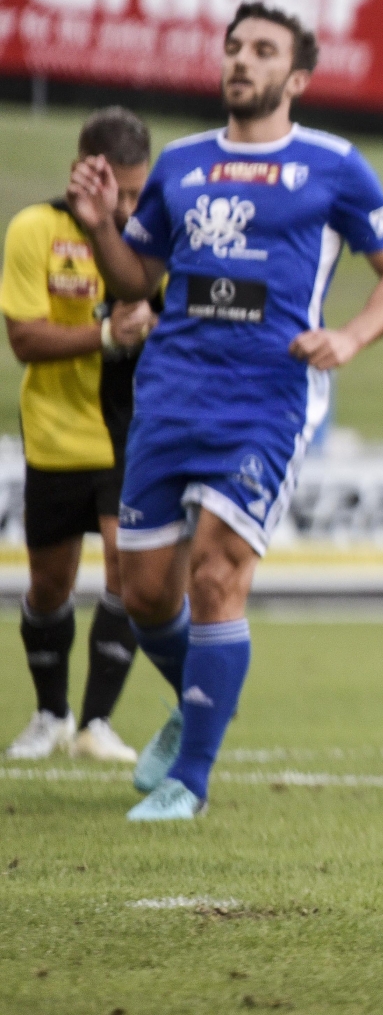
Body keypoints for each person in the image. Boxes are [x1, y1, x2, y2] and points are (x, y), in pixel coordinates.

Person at [66, 1, 383, 819]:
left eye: (263, 50)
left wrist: (353, 336)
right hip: (170, 392)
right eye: (234, 48)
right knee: (145, 590)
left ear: (296, 77)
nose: (242, 60)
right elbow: (136, 278)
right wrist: (98, 230)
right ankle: (198, 698)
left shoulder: (334, 165)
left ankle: (190, 777)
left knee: (219, 572)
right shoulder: (183, 164)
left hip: (266, 398)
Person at [2, 108, 159, 763]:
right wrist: (102, 334)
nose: (126, 206)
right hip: (56, 434)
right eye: (115, 191)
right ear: (83, 169)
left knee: (129, 567)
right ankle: (52, 713)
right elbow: (23, 338)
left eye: (136, 191)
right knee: (48, 586)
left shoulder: (153, 237)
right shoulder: (35, 228)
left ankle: (96, 721)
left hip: (129, 435)